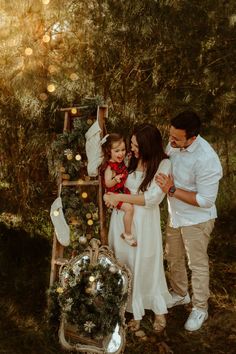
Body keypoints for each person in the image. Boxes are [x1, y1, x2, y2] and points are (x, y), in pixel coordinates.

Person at [155, 111, 223, 332]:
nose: (171, 142)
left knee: (197, 264)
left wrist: (172, 190)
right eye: (170, 136)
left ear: (193, 138)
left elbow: (205, 200)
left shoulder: (207, 159)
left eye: (176, 138)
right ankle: (180, 294)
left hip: (197, 219)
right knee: (173, 257)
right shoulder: (175, 143)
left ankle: (200, 307)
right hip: (176, 215)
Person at [104, 123, 172, 332]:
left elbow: (152, 199)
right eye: (131, 144)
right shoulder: (128, 161)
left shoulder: (163, 165)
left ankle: (158, 310)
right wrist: (110, 197)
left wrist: (118, 197)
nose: (131, 149)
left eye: (135, 145)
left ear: (148, 146)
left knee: (146, 264)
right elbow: (113, 181)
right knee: (125, 264)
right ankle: (132, 309)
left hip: (144, 223)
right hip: (121, 220)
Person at [101, 133, 136, 247]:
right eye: (117, 151)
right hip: (113, 194)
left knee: (131, 207)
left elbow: (125, 166)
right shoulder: (110, 167)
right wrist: (115, 180)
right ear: (109, 151)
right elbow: (107, 183)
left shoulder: (120, 163)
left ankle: (126, 231)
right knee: (129, 209)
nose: (121, 153)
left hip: (120, 192)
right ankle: (127, 234)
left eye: (123, 150)